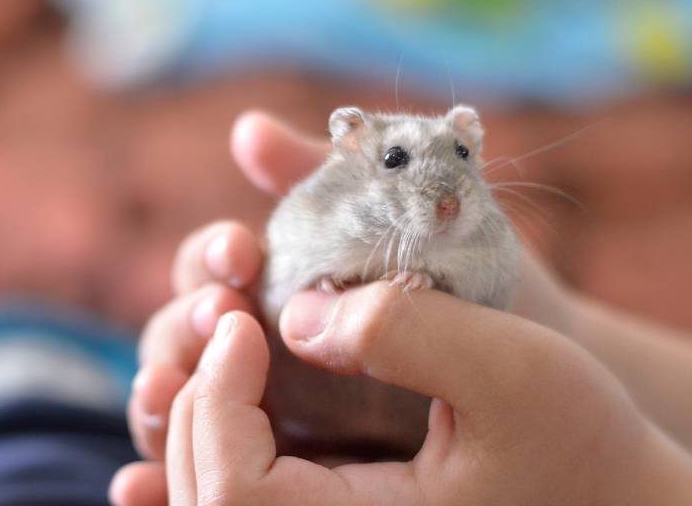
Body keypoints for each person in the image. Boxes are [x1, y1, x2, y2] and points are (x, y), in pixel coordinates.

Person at [110, 110, 692, 505]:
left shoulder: (490, 243)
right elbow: (284, 266)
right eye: (396, 161)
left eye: (461, 155)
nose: (445, 195)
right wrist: (577, 340)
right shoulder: (315, 212)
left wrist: (620, 483)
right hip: (306, 415)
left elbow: (496, 296)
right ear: (352, 148)